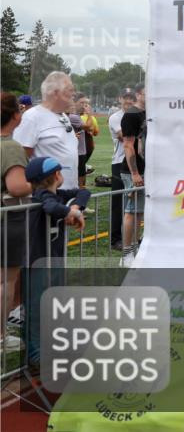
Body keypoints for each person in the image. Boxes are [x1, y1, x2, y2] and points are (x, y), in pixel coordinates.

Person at [23, 156, 88, 366]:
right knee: (36, 306)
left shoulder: (57, 194)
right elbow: (50, 208)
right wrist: (71, 211)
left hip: (53, 258)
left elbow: (84, 191)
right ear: (56, 176)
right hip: (37, 261)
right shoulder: (42, 196)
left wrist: (76, 206)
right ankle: (35, 353)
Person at [1, 93, 32, 351]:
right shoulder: (11, 147)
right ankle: (1, 337)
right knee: (6, 281)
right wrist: (42, 182)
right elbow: (17, 186)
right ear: (15, 116)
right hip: (7, 220)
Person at [13, 72, 79, 191]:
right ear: (56, 93)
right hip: (47, 198)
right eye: (70, 90)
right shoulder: (32, 117)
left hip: (68, 195)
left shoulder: (63, 116)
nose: (73, 94)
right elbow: (20, 159)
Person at [120, 84, 146, 266]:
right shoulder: (131, 114)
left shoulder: (148, 114)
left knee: (139, 212)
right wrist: (135, 173)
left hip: (145, 168)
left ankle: (136, 248)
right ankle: (126, 253)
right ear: (139, 94)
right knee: (131, 211)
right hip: (133, 170)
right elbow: (128, 145)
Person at [107, 90, 134, 251]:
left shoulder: (138, 114)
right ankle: (115, 239)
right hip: (120, 163)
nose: (129, 102)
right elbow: (124, 136)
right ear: (120, 99)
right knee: (118, 202)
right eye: (126, 99)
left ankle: (131, 236)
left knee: (133, 201)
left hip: (136, 163)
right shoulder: (116, 117)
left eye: (132, 99)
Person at [78, 96, 99, 186]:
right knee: (82, 170)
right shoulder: (92, 118)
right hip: (89, 147)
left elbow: (90, 129)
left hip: (81, 147)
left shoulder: (79, 117)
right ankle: (82, 188)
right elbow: (96, 133)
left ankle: (80, 188)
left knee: (80, 170)